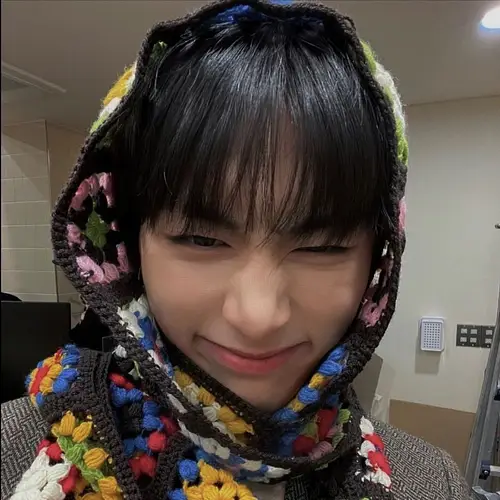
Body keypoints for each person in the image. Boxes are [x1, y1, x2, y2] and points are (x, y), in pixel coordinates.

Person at [1, 1, 472, 499]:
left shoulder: (431, 483)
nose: (257, 317)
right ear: (129, 246)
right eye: (201, 239)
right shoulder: (12, 450)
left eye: (321, 246)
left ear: (378, 261)